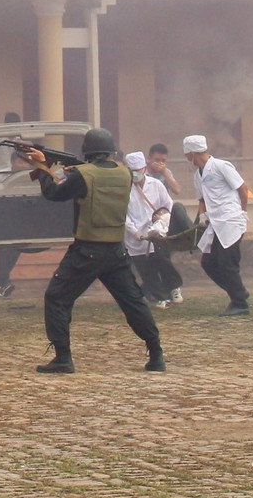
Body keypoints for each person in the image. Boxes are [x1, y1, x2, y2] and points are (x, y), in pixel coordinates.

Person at [24, 128, 165, 375]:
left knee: (57, 298)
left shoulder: (82, 174)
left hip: (86, 251)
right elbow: (85, 180)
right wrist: (56, 167)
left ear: (87, 151)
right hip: (116, 251)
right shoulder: (125, 175)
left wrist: (45, 166)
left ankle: (63, 357)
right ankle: (156, 353)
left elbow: (55, 191)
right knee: (133, 303)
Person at [184, 135, 252, 317]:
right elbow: (202, 199)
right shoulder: (197, 175)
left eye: (187, 154)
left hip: (230, 220)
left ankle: (240, 303)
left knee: (227, 263)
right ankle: (238, 291)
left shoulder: (222, 166)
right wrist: (201, 216)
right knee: (209, 263)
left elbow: (242, 188)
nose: (186, 158)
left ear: (192, 153)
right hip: (214, 224)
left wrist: (243, 212)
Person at [0, 112, 34, 298]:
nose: (24, 165)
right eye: (20, 161)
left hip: (24, 218)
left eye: (27, 161)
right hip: (3, 217)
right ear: (14, 161)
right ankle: (3, 279)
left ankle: (2, 279)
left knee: (17, 247)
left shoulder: (33, 176)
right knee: (6, 245)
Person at [123, 150, 175, 302]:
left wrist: (163, 222)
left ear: (144, 168)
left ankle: (165, 294)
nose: (135, 174)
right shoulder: (125, 188)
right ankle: (158, 296)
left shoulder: (156, 185)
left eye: (138, 170)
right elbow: (123, 215)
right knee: (146, 271)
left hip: (157, 235)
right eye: (131, 171)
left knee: (162, 264)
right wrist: (135, 232)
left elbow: (168, 205)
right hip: (137, 238)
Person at [139, 143, 187, 306]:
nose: (159, 163)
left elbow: (177, 190)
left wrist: (165, 172)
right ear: (148, 159)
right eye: (156, 160)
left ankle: (166, 288)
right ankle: (165, 288)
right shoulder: (141, 174)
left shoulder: (165, 174)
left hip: (163, 220)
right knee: (155, 257)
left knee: (161, 255)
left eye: (163, 160)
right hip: (144, 221)